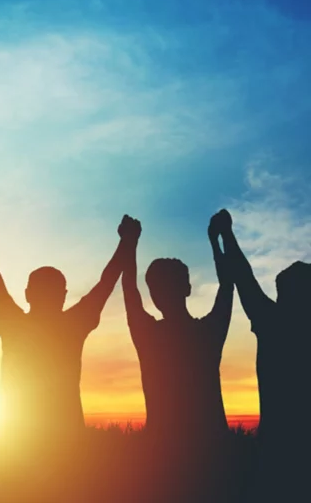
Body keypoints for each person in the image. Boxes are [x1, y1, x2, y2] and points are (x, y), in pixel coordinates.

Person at [0, 217, 130, 441]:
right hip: (64, 439)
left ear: (27, 293)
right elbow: (106, 282)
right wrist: (126, 243)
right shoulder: (74, 324)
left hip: (15, 442)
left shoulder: (13, 324)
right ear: (64, 295)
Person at [121, 212, 235, 499]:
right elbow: (227, 284)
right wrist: (216, 240)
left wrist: (130, 243)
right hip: (213, 459)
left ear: (154, 296)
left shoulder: (147, 335)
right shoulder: (209, 332)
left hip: (164, 459)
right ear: (187, 288)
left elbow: (129, 289)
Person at [218, 209, 311, 500]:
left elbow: (243, 277)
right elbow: (243, 276)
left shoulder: (272, 321)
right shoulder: (275, 322)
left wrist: (226, 233)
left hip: (275, 452)